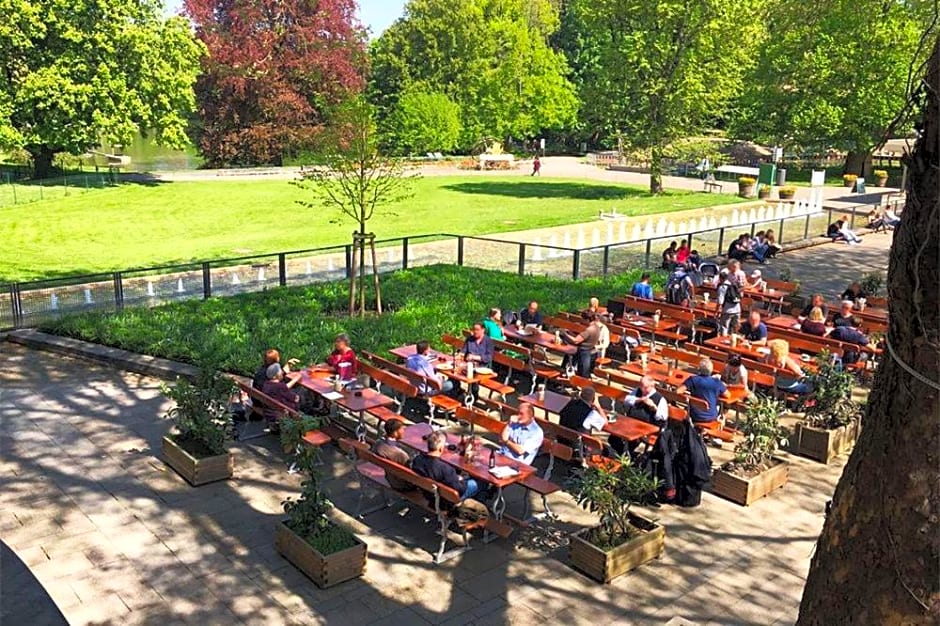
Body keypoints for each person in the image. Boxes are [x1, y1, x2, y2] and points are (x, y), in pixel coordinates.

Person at [411, 430, 481, 506]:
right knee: (477, 483)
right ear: (441, 448)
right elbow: (460, 490)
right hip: (445, 501)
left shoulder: (417, 460)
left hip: (428, 493)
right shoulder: (446, 469)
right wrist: (460, 480)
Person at [676, 358, 730, 424]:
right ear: (711, 370)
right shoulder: (717, 382)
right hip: (711, 416)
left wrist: (689, 396)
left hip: (694, 415)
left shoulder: (693, 380)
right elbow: (728, 395)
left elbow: (678, 391)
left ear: (699, 369)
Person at [372, 419, 413, 491]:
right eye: (402, 429)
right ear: (395, 433)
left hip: (389, 478)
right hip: (403, 484)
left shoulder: (378, 444)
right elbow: (411, 472)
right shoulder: (401, 454)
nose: (404, 431)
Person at [260, 363, 300, 429]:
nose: (282, 372)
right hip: (280, 413)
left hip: (269, 412)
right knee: (301, 394)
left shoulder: (266, 384)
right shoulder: (280, 386)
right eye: (280, 371)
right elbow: (294, 398)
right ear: (275, 376)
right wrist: (296, 378)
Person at [563, 311, 603, 377]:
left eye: (582, 319)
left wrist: (565, 333)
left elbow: (576, 341)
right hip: (590, 350)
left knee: (582, 373)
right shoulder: (597, 328)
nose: (582, 321)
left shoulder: (589, 330)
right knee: (584, 372)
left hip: (583, 352)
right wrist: (570, 333)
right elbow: (582, 337)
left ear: (587, 320)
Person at [716, 270, 742, 336]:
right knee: (735, 328)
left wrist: (716, 311)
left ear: (720, 278)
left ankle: (722, 343)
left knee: (724, 328)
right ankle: (734, 341)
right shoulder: (733, 285)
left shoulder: (722, 287)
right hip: (737, 310)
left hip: (728, 311)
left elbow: (720, 301)